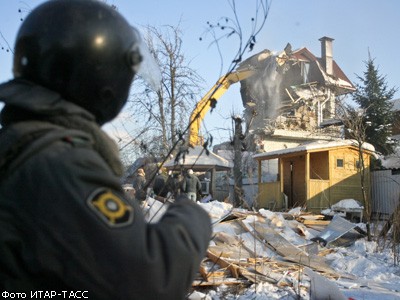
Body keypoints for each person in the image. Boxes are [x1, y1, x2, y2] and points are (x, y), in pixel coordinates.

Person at [0, 1, 212, 299]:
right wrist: (192, 216)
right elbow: (150, 280)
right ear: (104, 80)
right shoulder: (61, 165)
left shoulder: (19, 146)